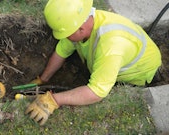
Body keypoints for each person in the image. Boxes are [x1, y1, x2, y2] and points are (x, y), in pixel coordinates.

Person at [25, 0, 162, 126]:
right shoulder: (82, 22)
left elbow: (96, 92)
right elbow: (61, 52)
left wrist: (53, 100)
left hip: (141, 71)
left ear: (80, 29)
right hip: (119, 56)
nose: (65, 37)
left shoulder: (110, 46)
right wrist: (43, 79)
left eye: (66, 34)